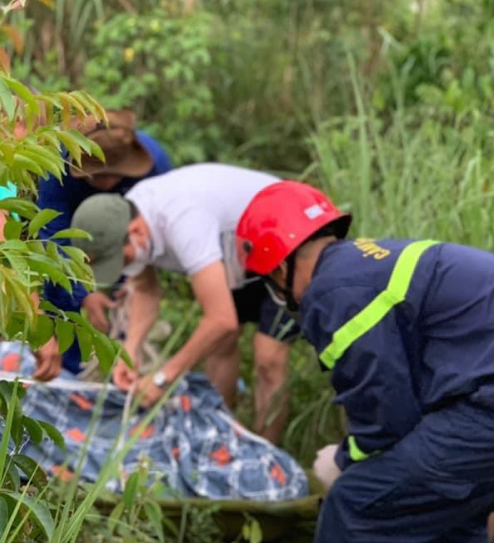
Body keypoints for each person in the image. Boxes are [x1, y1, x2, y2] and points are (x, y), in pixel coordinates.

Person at [235, 180, 494, 543]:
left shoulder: (332, 290)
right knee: (449, 518)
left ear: (281, 268)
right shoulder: (369, 264)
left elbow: (385, 412)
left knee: (354, 504)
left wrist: (344, 460)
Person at [69, 164, 298, 443]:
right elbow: (146, 291)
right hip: (235, 249)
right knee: (221, 345)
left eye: (121, 258)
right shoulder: (130, 215)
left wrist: (163, 378)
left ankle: (267, 456)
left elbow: (220, 319)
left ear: (136, 231)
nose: (122, 266)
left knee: (269, 356)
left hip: (285, 236)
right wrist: (130, 351)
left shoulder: (183, 220)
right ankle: (222, 438)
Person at [33, 109, 171, 380]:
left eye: (111, 175)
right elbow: (54, 239)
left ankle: (124, 366)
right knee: (62, 293)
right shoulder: (57, 166)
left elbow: (159, 232)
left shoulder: (154, 164)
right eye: (96, 176)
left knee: (125, 296)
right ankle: (67, 370)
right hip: (74, 225)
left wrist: (136, 281)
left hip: (125, 233)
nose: (104, 183)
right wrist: (84, 294)